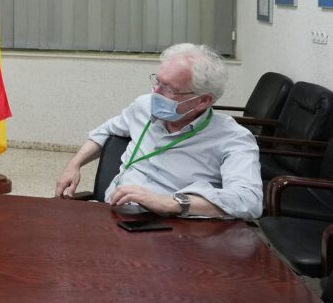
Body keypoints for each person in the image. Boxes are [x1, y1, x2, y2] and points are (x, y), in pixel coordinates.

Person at [54, 43, 262, 219]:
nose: (156, 94)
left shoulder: (232, 138)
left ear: (203, 100)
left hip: (172, 229)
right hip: (113, 215)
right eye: (157, 82)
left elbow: (249, 201)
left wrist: (172, 203)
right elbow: (105, 131)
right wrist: (74, 164)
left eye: (169, 89)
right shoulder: (143, 107)